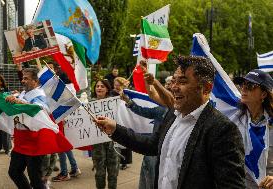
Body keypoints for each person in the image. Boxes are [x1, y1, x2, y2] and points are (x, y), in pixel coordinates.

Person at [94, 55, 245, 189]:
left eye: (183, 81)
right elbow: (151, 145)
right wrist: (115, 129)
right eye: (174, 81)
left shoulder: (222, 130)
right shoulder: (173, 115)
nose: (174, 87)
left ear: (205, 89)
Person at [6, 68, 49, 189]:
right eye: (22, 78)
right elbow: (20, 99)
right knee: (14, 172)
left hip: (34, 142)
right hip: (21, 141)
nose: (22, 80)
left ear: (35, 81)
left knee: (35, 180)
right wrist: (14, 97)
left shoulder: (40, 95)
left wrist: (19, 102)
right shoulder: (24, 93)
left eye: (26, 78)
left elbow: (41, 108)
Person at [230, 69, 273, 188]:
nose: (243, 88)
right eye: (242, 84)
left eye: (250, 86)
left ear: (263, 94)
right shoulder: (233, 115)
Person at [46, 62, 81, 182]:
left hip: (60, 117)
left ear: (56, 69)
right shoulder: (52, 83)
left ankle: (65, 173)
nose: (48, 70)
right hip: (56, 117)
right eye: (47, 68)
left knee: (61, 145)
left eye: (50, 68)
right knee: (64, 145)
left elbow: (70, 101)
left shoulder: (62, 84)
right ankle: (74, 168)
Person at [92, 79, 120, 189]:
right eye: (97, 86)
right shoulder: (89, 104)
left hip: (113, 142)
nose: (99, 88)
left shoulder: (114, 104)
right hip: (97, 144)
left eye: (102, 86)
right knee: (99, 173)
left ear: (107, 89)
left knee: (113, 173)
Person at [110, 77, 132, 170]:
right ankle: (116, 160)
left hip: (124, 119)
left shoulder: (126, 94)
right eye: (115, 84)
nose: (116, 86)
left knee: (125, 141)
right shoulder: (111, 93)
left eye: (118, 85)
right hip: (114, 118)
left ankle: (125, 162)